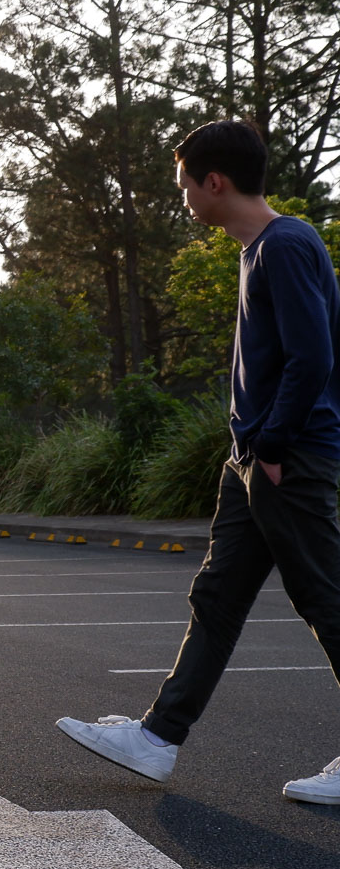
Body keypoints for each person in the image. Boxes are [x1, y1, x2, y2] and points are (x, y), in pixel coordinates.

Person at [57, 119, 340, 805]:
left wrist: (271, 448)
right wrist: (249, 451)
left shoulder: (287, 244)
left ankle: (159, 733)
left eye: (184, 183)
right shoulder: (257, 252)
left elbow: (316, 358)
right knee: (216, 598)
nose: (181, 196)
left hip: (287, 458)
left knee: (328, 602)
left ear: (214, 182)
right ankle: (156, 739)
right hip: (252, 461)